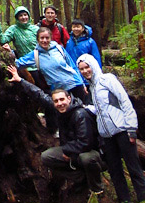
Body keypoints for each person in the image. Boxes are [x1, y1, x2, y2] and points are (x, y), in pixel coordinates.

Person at [7, 65, 103, 195]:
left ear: (69, 98)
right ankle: (81, 178)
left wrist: (68, 151)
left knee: (86, 158)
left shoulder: (80, 114)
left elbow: (86, 143)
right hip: (74, 150)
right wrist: (20, 80)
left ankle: (96, 189)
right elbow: (40, 95)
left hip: (92, 153)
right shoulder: (58, 109)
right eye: (56, 101)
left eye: (62, 99)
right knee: (47, 157)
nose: (60, 103)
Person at [77, 54, 145, 203]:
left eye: (87, 67)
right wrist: (85, 108)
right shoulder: (92, 87)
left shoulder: (107, 79)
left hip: (122, 130)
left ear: (93, 65)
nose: (85, 71)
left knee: (133, 167)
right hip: (107, 135)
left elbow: (124, 101)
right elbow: (102, 109)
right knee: (115, 170)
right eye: (82, 69)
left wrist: (131, 129)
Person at [15, 27, 87, 102]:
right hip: (58, 91)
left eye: (47, 38)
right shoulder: (35, 55)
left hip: (76, 85)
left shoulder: (59, 48)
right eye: (42, 38)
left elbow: (72, 66)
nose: (44, 40)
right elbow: (17, 63)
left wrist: (82, 83)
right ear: (37, 39)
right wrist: (9, 52)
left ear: (51, 38)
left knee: (82, 110)